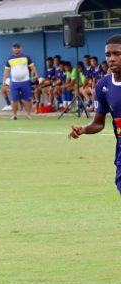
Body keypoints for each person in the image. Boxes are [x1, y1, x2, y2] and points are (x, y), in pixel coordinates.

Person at [69, 35, 121, 194]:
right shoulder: (103, 86)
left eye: (117, 54)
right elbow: (99, 122)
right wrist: (83, 129)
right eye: (108, 55)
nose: (111, 59)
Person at [2, 43, 39, 120]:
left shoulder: (26, 57)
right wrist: (4, 81)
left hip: (25, 81)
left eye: (17, 48)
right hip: (14, 82)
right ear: (12, 49)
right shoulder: (9, 59)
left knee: (27, 99)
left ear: (20, 48)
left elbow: (32, 66)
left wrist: (36, 74)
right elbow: (6, 70)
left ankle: (28, 114)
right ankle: (14, 115)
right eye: (14, 48)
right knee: (14, 98)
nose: (16, 49)